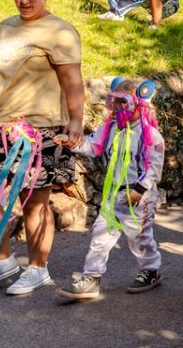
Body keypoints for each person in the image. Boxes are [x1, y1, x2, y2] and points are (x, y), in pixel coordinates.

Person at [0, 0, 85, 296]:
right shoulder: (5, 27)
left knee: (34, 203)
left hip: (40, 129)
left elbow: (72, 80)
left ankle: (37, 269)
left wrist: (76, 120)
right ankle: (2, 261)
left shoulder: (60, 31)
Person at [56, 79, 165, 300]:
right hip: (112, 194)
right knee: (100, 235)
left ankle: (151, 269)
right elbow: (93, 145)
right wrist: (72, 143)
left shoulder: (150, 135)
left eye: (122, 103)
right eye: (112, 102)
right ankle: (92, 277)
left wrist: (140, 188)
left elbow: (153, 167)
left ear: (139, 104)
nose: (115, 108)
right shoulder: (111, 128)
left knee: (140, 238)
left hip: (137, 197)